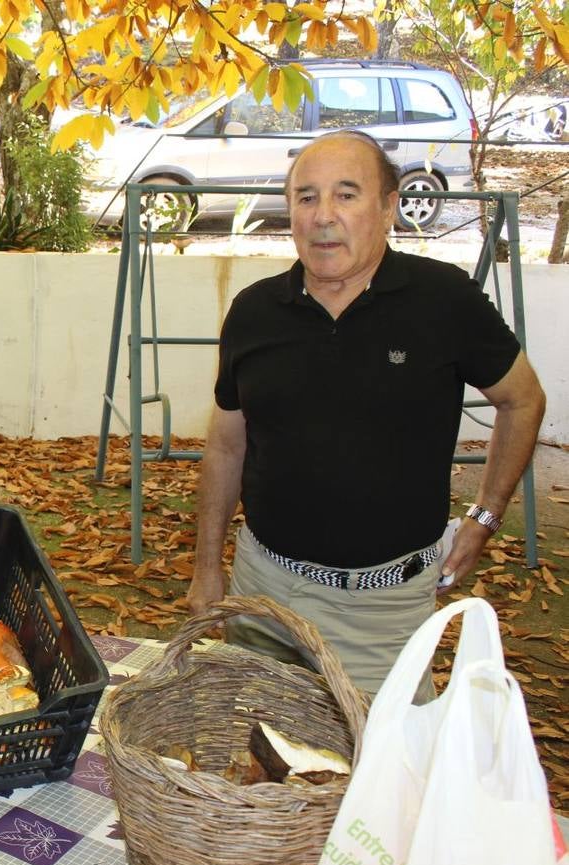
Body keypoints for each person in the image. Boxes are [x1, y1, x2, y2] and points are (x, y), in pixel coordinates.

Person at [187, 130, 546, 697]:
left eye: (346, 195)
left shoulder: (443, 301)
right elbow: (229, 444)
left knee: (382, 768)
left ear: (388, 207)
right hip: (264, 593)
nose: (323, 216)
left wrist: (486, 516)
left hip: (384, 609)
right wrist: (208, 567)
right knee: (258, 757)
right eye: (306, 197)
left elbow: (522, 399)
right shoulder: (254, 313)